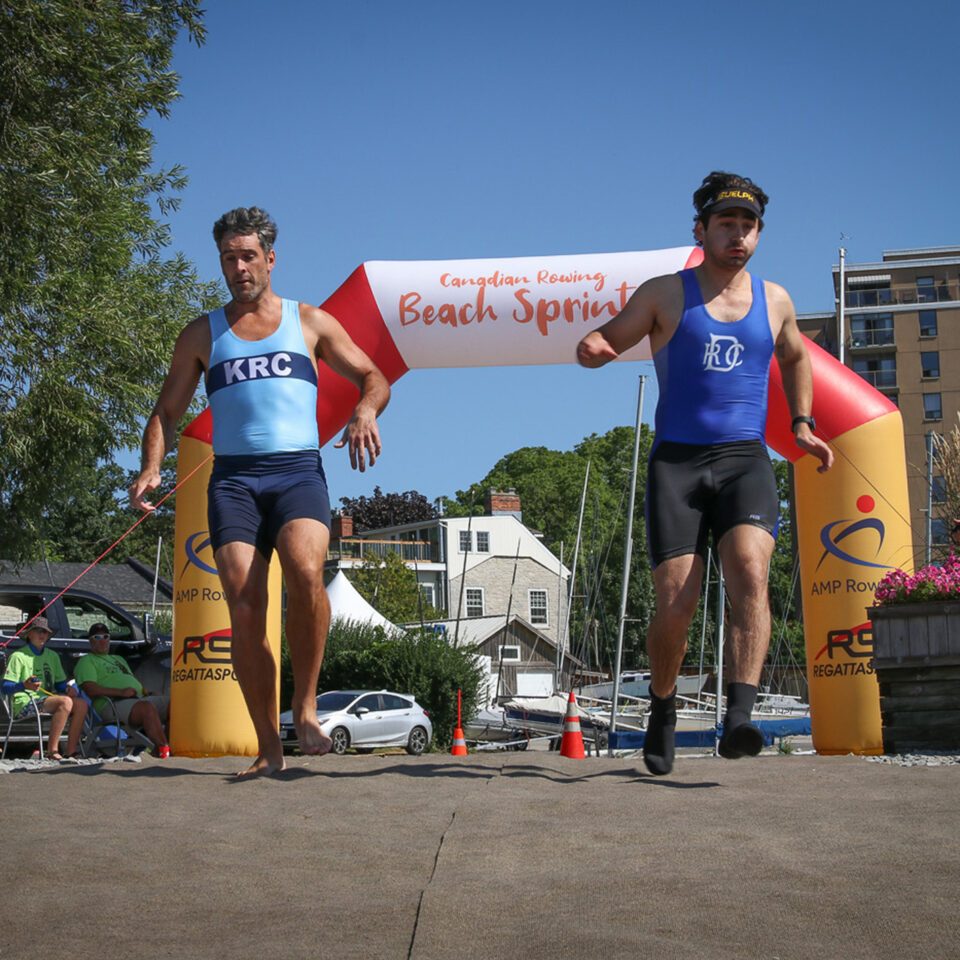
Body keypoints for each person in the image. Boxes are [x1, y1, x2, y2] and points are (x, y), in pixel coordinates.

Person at [577, 171, 834, 776]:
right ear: (701, 230)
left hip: (745, 458)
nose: (738, 235)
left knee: (749, 569)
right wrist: (593, 347)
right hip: (679, 464)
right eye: (726, 224)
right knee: (678, 599)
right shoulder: (665, 293)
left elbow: (797, 357)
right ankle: (663, 709)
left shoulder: (776, 301)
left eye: (748, 226)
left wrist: (800, 423)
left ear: (758, 235)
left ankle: (740, 716)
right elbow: (608, 338)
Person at [129, 206, 389, 777]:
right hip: (235, 480)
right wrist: (151, 466)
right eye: (229, 257)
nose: (239, 266)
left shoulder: (311, 323)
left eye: (249, 256)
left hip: (297, 472)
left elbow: (374, 376)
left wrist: (365, 410)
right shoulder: (202, 334)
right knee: (245, 605)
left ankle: (307, 705)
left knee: (304, 570)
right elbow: (166, 411)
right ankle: (268, 747)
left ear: (270, 259)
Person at [74, 622, 171, 758]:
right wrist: (120, 692)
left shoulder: (118, 659)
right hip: (111, 704)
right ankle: (163, 750)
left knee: (174, 704)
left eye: (106, 636)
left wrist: (147, 692)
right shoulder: (87, 661)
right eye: (97, 637)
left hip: (137, 699)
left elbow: (131, 681)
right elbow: (91, 689)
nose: (102, 640)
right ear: (90, 641)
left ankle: (172, 747)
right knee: (146, 708)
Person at [1, 617, 88, 759]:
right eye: (38, 630)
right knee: (65, 702)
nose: (42, 634)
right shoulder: (18, 656)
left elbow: (59, 683)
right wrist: (24, 685)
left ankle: (71, 751)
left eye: (45, 632)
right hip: (24, 704)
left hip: (47, 700)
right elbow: (5, 687)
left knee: (82, 704)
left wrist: (67, 689)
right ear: (29, 634)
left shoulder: (53, 656)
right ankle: (52, 752)